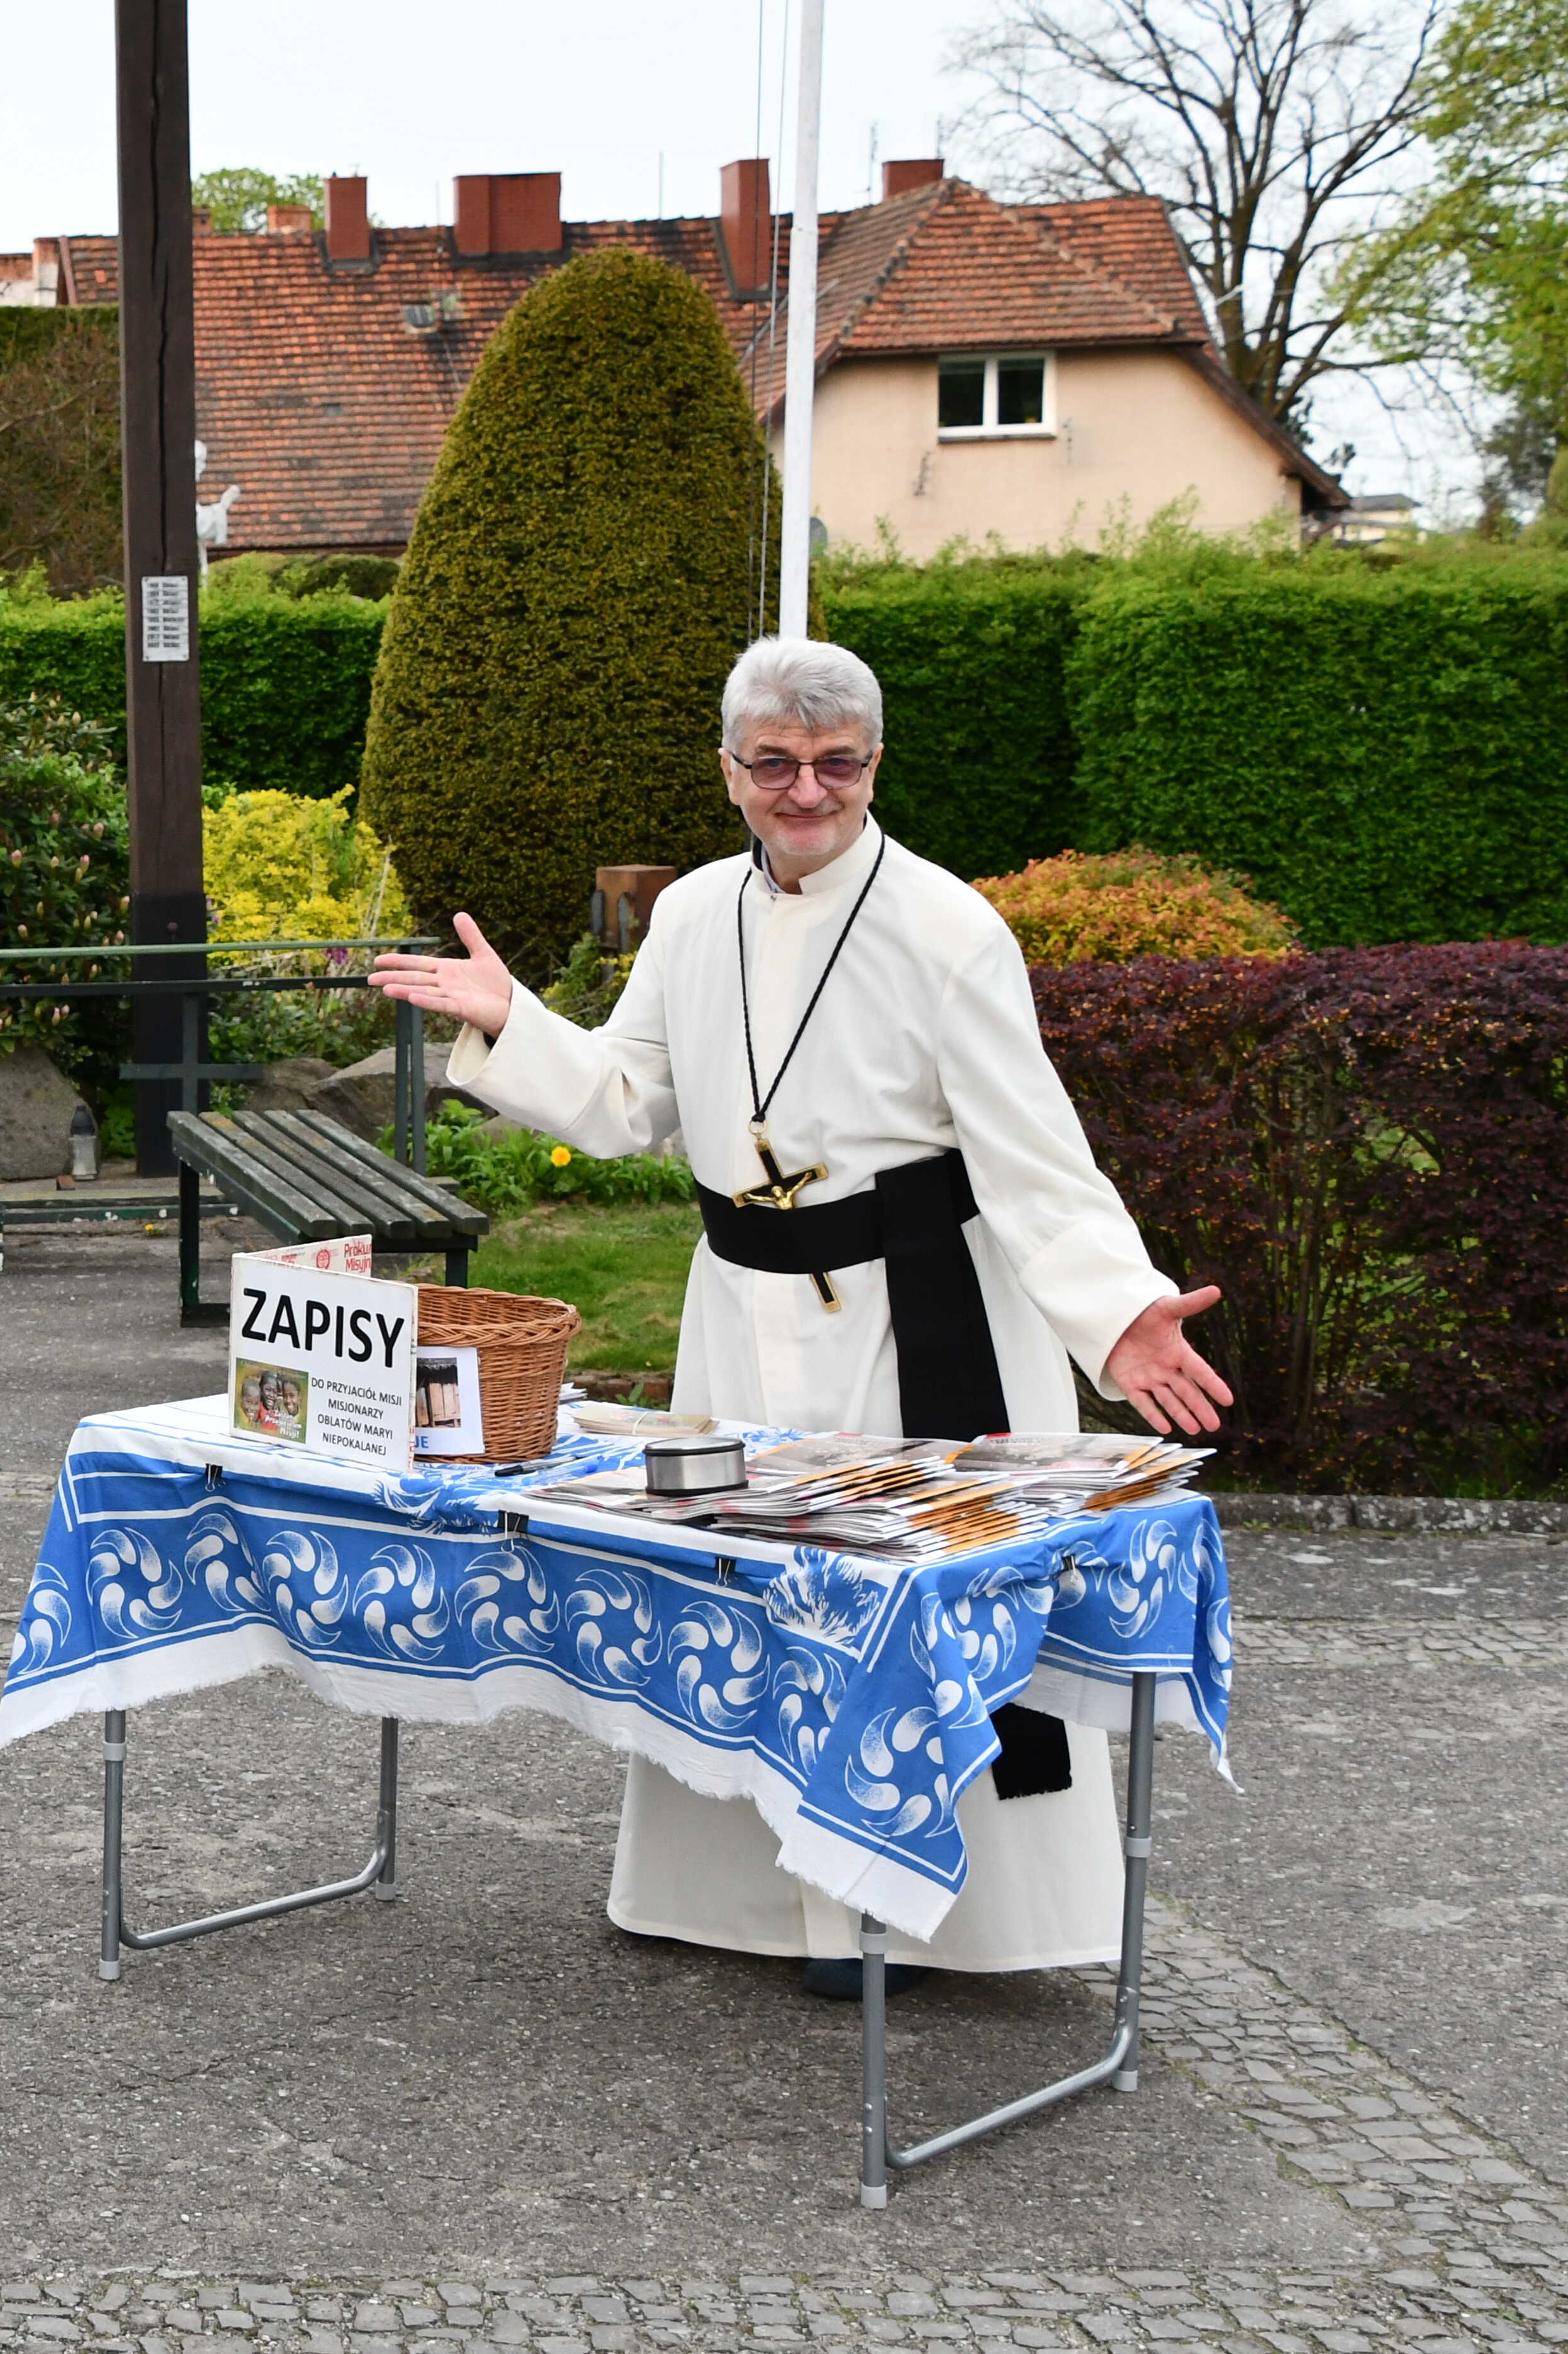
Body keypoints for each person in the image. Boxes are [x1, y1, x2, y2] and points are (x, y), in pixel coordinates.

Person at [368, 635, 1232, 1999]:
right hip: (743, 1319)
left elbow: (1034, 1155)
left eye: (835, 763)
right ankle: (757, 1901)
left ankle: (927, 1913)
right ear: (730, 771)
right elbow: (626, 1098)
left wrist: (1118, 1314)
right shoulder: (694, 914)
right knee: (747, 1600)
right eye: (775, 762)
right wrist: (514, 1019)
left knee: (904, 1605)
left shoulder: (951, 928)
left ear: (874, 764)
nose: (806, 789)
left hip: (918, 1322)